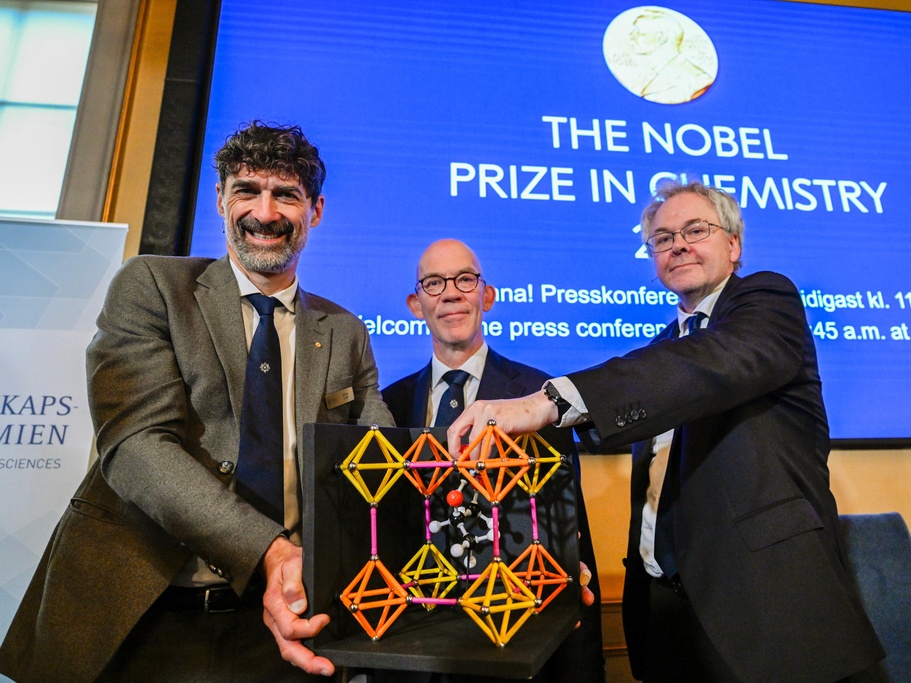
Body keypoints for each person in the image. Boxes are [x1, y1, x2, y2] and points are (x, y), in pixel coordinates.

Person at [0, 121, 393, 682]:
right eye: (246, 190)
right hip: (147, 612)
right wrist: (272, 550)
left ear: (316, 210)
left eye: (286, 194)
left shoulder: (344, 330)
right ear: (219, 200)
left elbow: (380, 461)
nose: (265, 213)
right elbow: (136, 448)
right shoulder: (153, 286)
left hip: (288, 622)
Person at [445, 182, 885, 682]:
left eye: (695, 231)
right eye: (662, 238)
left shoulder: (767, 302)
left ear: (733, 244)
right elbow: (620, 418)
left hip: (766, 609)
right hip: (664, 614)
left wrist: (545, 401)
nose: (678, 245)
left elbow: (703, 366)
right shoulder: (660, 353)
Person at [380, 238, 605, 683]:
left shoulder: (539, 397)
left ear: (487, 296)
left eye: (465, 279)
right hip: (415, 643)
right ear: (415, 304)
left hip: (514, 639)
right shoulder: (389, 404)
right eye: (433, 283)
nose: (451, 293)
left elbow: (567, 528)